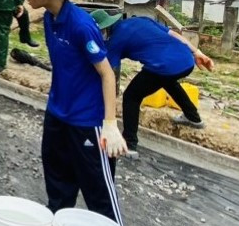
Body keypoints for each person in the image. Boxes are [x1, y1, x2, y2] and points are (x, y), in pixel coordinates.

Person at [10, 0, 127, 225]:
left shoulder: (81, 26)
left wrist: (110, 124)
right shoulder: (50, 18)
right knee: (58, 189)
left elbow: (107, 74)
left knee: (99, 196)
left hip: (86, 121)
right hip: (57, 115)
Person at [91, 10, 214, 155]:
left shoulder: (116, 39)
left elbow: (106, 72)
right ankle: (193, 117)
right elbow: (174, 34)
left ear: (105, 29)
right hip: (186, 61)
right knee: (167, 80)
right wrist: (196, 52)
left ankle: (129, 144)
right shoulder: (143, 19)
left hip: (164, 65)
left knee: (131, 96)